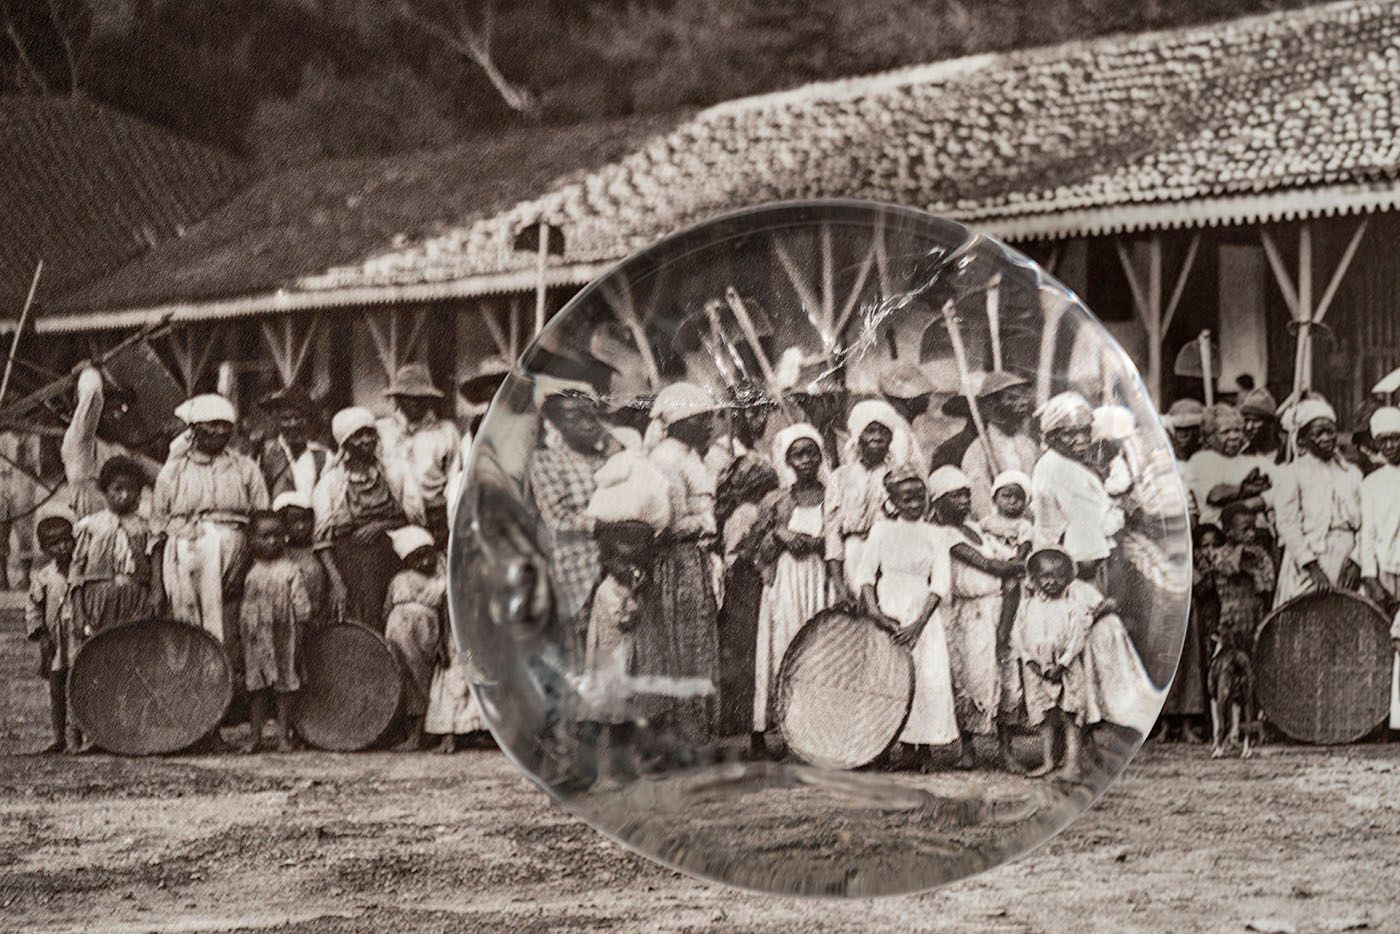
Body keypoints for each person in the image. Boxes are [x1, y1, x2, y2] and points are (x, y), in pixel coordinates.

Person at [568, 449, 672, 786]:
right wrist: (635, 596)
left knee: (619, 704)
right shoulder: (611, 590)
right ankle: (585, 771)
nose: (630, 560)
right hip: (610, 656)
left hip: (621, 655)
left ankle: (619, 767)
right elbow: (624, 620)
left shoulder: (631, 584)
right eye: (620, 554)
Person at [152, 394, 269, 679]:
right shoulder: (173, 471)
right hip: (183, 562)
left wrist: (242, 567)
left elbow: (261, 520)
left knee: (228, 630)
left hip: (233, 559)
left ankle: (225, 700)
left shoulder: (245, 468)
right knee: (186, 633)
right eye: (211, 425)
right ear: (194, 429)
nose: (219, 432)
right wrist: (157, 584)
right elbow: (157, 529)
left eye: (224, 426)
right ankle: (194, 706)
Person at [853, 463, 959, 770]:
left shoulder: (936, 534)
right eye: (906, 498)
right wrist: (875, 612)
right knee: (887, 677)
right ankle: (889, 745)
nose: (914, 504)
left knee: (926, 677)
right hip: (888, 609)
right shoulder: (881, 530)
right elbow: (865, 576)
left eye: (919, 497)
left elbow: (940, 583)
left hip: (921, 613)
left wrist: (918, 624)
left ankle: (922, 748)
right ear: (893, 501)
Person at [639, 381, 723, 747]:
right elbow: (667, 523)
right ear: (679, 421)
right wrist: (704, 527)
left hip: (695, 559)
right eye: (701, 419)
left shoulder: (689, 455)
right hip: (676, 561)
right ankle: (680, 726)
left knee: (695, 639)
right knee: (680, 640)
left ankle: (695, 723)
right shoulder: (666, 459)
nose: (708, 426)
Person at [927, 466, 1025, 770]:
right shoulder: (942, 534)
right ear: (939, 500)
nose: (963, 501)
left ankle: (1005, 749)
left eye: (966, 494)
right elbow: (990, 564)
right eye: (955, 496)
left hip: (996, 607)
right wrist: (1013, 565)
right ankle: (968, 749)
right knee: (971, 678)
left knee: (1005, 676)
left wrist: (1013, 562)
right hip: (970, 613)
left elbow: (1005, 560)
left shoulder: (977, 529)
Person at [746, 424, 829, 756]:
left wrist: (819, 542)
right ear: (788, 459)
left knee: (819, 653)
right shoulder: (776, 501)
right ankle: (785, 729)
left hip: (821, 579)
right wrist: (778, 536)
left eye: (812, 452)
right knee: (784, 647)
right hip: (787, 582)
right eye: (799, 454)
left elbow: (844, 538)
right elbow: (755, 551)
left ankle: (818, 732)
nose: (806, 460)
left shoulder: (833, 494)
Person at [527, 378, 621, 627]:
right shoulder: (547, 461)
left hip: (618, 562)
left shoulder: (609, 457)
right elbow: (558, 517)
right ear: (557, 424)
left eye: (591, 413)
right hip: (579, 567)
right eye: (575, 416)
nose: (588, 422)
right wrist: (603, 527)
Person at [312, 407, 404, 630]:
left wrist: (379, 525)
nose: (366, 440)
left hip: (391, 556)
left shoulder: (392, 473)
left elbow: (408, 517)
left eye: (370, 433)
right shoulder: (331, 483)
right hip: (350, 562)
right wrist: (337, 583)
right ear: (345, 441)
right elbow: (322, 540)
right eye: (358, 435)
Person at [1010, 548, 1093, 780]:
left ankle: (1073, 764)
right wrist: (1030, 661)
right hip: (1037, 670)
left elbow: (1078, 639)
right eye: (1045, 576)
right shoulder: (1027, 607)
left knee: (1070, 714)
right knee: (1044, 716)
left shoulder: (1072, 608)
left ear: (1068, 578)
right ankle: (1048, 761)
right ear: (1033, 579)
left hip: (1065, 669)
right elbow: (1018, 636)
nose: (1051, 582)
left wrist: (1063, 663)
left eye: (1058, 576)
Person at [1272, 396, 1363, 607]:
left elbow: (1366, 524)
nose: (1326, 438)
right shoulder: (1292, 473)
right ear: (1302, 440)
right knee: (1306, 619)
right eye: (1318, 433)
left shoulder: (1351, 474)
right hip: (1307, 561)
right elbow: (1287, 524)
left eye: (1330, 431)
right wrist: (1311, 567)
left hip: (1346, 559)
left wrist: (1357, 562)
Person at [715, 451, 779, 739]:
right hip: (744, 581)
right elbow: (738, 553)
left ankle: (741, 714)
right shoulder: (746, 513)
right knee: (744, 647)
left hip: (748, 581)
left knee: (746, 648)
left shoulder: (747, 511)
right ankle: (737, 714)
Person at [238, 510, 313, 754]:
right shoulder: (251, 571)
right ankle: (255, 735)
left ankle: (283, 736)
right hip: (257, 638)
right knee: (257, 686)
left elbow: (302, 609)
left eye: (277, 536)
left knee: (284, 685)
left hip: (284, 636)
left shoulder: (291, 570)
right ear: (251, 540)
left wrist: (299, 640)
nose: (272, 541)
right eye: (265, 536)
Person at [824, 400, 909, 606]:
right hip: (853, 558)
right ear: (858, 436)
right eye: (871, 431)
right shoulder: (840, 477)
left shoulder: (900, 476)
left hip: (889, 561)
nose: (877, 437)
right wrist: (839, 585)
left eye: (884, 432)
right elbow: (832, 534)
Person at [1031, 392, 1123, 581]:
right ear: (1051, 437)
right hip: (1073, 567)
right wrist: (1120, 510)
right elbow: (1097, 523)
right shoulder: (1058, 468)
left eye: (1085, 431)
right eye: (1069, 434)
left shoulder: (1064, 463)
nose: (1081, 440)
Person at [67, 455, 158, 642]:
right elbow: (76, 570)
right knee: (99, 648)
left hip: (135, 599)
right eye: (117, 489)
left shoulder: (146, 528)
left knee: (133, 648)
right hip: (98, 601)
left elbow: (155, 564)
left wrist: (156, 593)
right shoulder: (91, 525)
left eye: (131, 489)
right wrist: (78, 609)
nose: (125, 495)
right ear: (104, 490)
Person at [60, 363, 161, 518]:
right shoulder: (79, 442)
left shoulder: (117, 450)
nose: (117, 417)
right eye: (109, 411)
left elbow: (163, 478)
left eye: (122, 410)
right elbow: (92, 395)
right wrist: (89, 372)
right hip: (94, 527)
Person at [377, 363, 462, 546]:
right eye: (409, 397)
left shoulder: (445, 432)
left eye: (421, 397)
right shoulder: (383, 432)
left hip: (435, 514)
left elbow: (455, 478)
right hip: (394, 516)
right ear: (398, 399)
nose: (415, 403)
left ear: (430, 399)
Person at [383, 525, 447, 750]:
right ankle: (405, 731)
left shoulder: (441, 580)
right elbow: (387, 609)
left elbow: (445, 612)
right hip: (398, 631)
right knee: (402, 677)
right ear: (407, 561)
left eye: (427, 555)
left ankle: (420, 733)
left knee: (422, 679)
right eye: (416, 558)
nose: (424, 562)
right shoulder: (400, 580)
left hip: (426, 633)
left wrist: (443, 640)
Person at [26, 505, 75, 753]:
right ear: (46, 549)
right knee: (57, 688)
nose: (63, 547)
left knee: (82, 683)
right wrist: (41, 634)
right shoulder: (44, 576)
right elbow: (34, 607)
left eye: (67, 540)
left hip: (79, 636)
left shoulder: (82, 570)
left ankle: (82, 736)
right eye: (55, 544)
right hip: (57, 640)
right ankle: (59, 737)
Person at [958, 371, 1038, 518]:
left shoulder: (1029, 445)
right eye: (1013, 398)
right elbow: (981, 507)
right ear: (991, 405)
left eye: (1024, 396)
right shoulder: (979, 451)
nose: (1023, 402)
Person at [1184, 404, 1270, 528]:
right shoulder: (1201, 460)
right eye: (1225, 432)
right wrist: (1246, 490)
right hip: (1220, 533)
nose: (1234, 436)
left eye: (1237, 430)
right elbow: (1215, 496)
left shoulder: (1252, 460)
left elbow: (1277, 486)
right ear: (1209, 437)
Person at [256, 385, 330, 501]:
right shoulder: (265, 454)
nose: (293, 424)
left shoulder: (323, 456)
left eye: (298, 417)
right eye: (286, 419)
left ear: (307, 420)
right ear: (277, 422)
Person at [273, 491, 331, 629]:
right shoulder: (280, 555)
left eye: (305, 520)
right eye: (294, 521)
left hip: (318, 621)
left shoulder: (318, 552)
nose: (301, 526)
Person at [878, 362, 936, 468]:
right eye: (923, 395)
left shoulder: (900, 427)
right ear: (908, 400)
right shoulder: (900, 434)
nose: (928, 399)